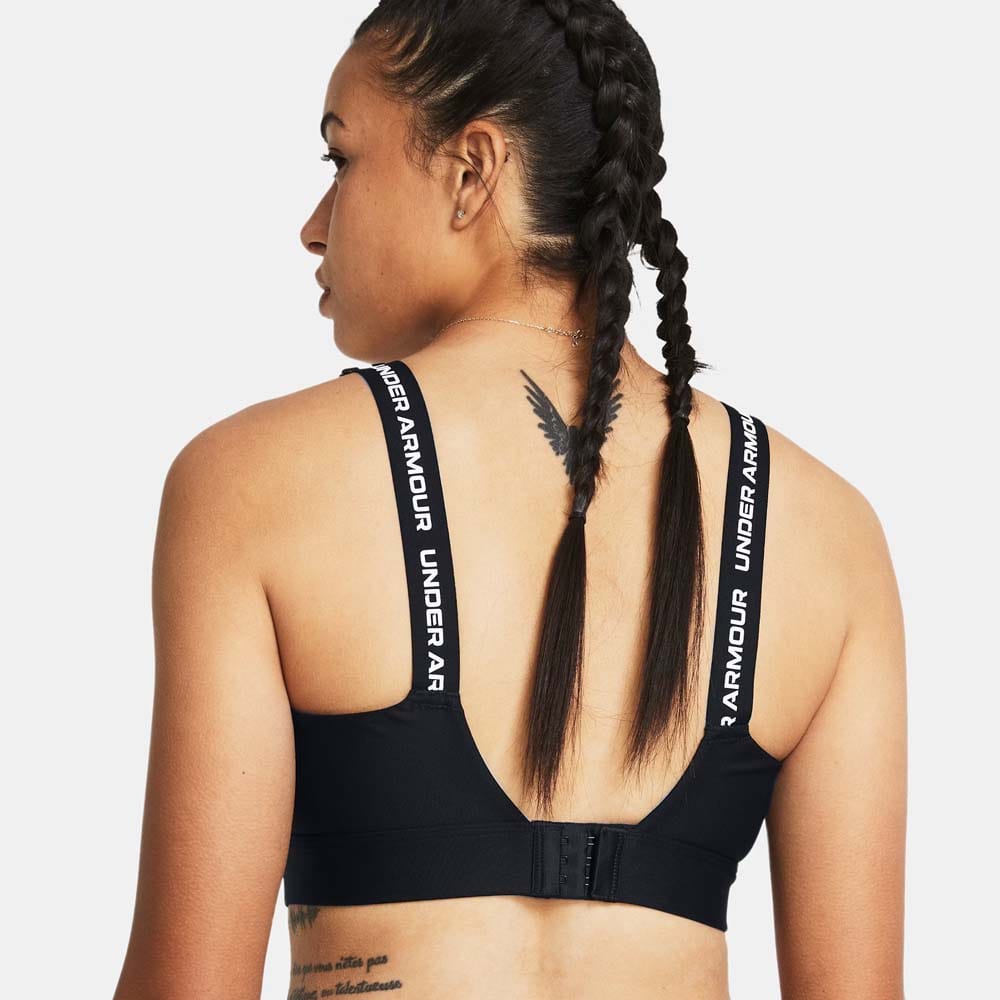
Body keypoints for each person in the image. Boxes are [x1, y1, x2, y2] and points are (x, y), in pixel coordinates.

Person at [112, 2, 906, 998]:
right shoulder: (826, 533)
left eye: (340, 159)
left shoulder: (251, 482)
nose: (312, 225)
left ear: (471, 171)